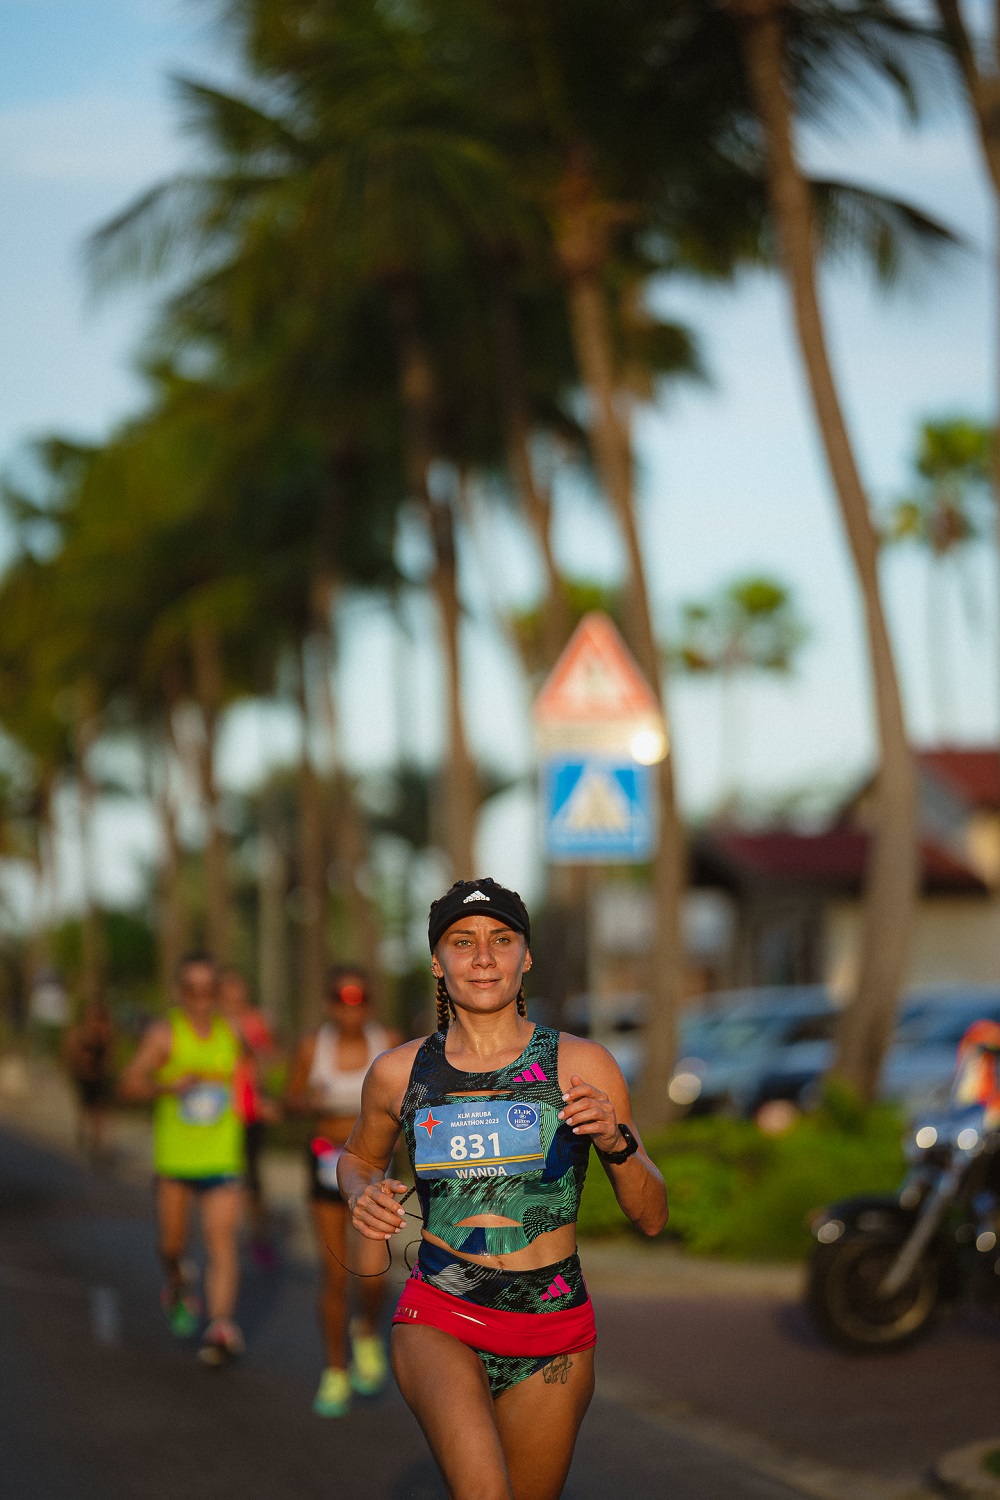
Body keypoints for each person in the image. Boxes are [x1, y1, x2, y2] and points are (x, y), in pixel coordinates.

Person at [339, 879, 668, 1500]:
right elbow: (358, 1157)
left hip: (554, 1322)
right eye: (463, 942)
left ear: (526, 956)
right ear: (437, 962)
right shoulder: (398, 1072)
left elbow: (651, 1217)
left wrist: (615, 1142)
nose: (484, 957)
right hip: (443, 1307)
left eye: (502, 939)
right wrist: (361, 1191)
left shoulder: (581, 1065)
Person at [119, 951, 248, 1368]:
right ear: (179, 992)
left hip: (222, 1156)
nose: (201, 998)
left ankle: (221, 1324)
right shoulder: (164, 1035)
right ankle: (177, 1282)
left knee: (221, 1241)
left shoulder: (231, 1034)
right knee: (172, 1246)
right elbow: (129, 1085)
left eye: (208, 989)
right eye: (191, 989)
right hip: (176, 1161)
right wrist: (169, 1086)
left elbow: (250, 1083)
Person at [285, 966, 402, 1417]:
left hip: (374, 1171)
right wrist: (309, 1102)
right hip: (325, 1164)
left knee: (373, 1273)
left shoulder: (386, 1040)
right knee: (334, 1275)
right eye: (341, 1001)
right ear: (329, 1003)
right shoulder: (314, 1046)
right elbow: (288, 1100)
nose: (350, 1011)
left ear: (368, 1004)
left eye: (359, 1002)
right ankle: (334, 1370)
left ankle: (367, 1330)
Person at [218, 966, 280, 1265]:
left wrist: (265, 1097)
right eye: (229, 990)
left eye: (239, 989)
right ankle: (223, 1236)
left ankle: (258, 1236)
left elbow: (268, 1059)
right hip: (219, 1113)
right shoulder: (213, 1023)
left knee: (252, 1177)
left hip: (249, 1109)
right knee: (223, 1178)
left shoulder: (254, 1020)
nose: (235, 995)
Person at [63, 999, 115, 1159]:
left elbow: (110, 1054)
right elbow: (71, 1052)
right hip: (84, 1075)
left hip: (98, 1076)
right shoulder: (81, 1032)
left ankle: (96, 1142)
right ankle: (83, 1135)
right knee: (85, 1107)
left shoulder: (106, 1032)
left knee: (98, 1110)